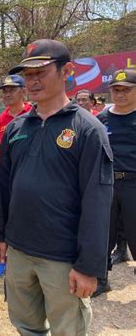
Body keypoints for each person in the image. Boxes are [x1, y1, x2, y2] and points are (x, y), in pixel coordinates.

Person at [0, 39, 113, 335]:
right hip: (19, 251)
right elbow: (5, 185)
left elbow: (98, 202)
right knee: (26, 325)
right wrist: (0, 236)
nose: (32, 82)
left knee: (67, 330)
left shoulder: (87, 129)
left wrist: (89, 266)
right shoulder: (17, 127)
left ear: (67, 71)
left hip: (62, 257)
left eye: (41, 73)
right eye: (28, 76)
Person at [95, 68, 136, 296]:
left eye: (126, 90)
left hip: (134, 185)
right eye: (116, 90)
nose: (120, 94)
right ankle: (101, 279)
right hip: (107, 185)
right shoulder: (102, 119)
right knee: (102, 232)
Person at [0, 74, 32, 278]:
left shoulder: (33, 113)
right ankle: (4, 260)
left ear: (24, 92)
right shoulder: (3, 117)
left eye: (11, 90)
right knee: (2, 209)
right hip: (4, 167)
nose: (6, 94)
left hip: (26, 167)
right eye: (4, 91)